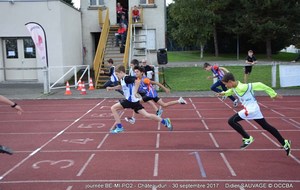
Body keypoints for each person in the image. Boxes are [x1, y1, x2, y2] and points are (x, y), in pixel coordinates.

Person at [216, 72, 291, 156]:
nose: (225, 86)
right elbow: (231, 91)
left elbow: (260, 85)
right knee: (266, 126)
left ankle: (247, 138)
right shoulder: (234, 87)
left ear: (230, 81)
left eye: (225, 84)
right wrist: (224, 93)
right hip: (254, 109)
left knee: (231, 121)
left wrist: (273, 94)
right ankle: (284, 143)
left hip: (251, 109)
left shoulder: (243, 87)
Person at [106, 65, 173, 134]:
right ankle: (165, 121)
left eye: (117, 74)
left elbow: (137, 81)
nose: (117, 76)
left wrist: (135, 92)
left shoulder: (127, 78)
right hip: (134, 102)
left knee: (113, 108)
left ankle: (119, 127)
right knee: (147, 115)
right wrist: (112, 88)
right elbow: (121, 86)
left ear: (121, 72)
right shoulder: (123, 79)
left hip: (130, 100)